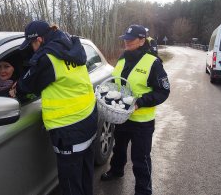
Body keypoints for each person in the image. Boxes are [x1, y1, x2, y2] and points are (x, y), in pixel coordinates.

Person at [14, 20, 97, 195]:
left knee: (70, 185)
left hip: (68, 129)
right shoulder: (70, 46)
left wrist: (13, 89)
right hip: (88, 117)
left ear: (39, 39)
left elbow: (25, 87)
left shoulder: (48, 58)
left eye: (32, 44)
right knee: (85, 175)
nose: (32, 49)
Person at [100, 24, 170, 195]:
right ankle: (116, 171)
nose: (126, 42)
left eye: (131, 40)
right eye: (125, 39)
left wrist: (140, 102)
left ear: (141, 40)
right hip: (122, 117)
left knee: (141, 158)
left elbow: (163, 91)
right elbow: (117, 82)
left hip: (142, 122)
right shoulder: (123, 58)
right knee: (119, 148)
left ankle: (143, 190)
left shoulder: (153, 62)